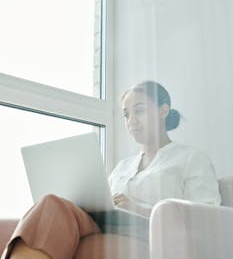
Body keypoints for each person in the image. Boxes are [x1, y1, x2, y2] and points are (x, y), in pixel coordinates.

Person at [2, 80, 221, 259]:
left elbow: (206, 221)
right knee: (51, 203)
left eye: (139, 111)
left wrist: (139, 209)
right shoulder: (122, 167)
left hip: (149, 235)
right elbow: (104, 202)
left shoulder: (191, 159)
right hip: (103, 225)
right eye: (126, 114)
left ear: (163, 111)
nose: (131, 121)